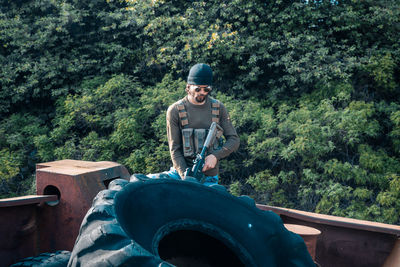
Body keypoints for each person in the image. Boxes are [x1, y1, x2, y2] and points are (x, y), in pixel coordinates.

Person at [152, 63, 239, 186]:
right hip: (181, 174)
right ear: (188, 87)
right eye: (198, 89)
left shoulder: (218, 108)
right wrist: (186, 178)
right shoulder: (175, 110)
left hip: (208, 178)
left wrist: (215, 156)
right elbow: (175, 149)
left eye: (206, 89)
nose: (202, 92)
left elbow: (234, 140)